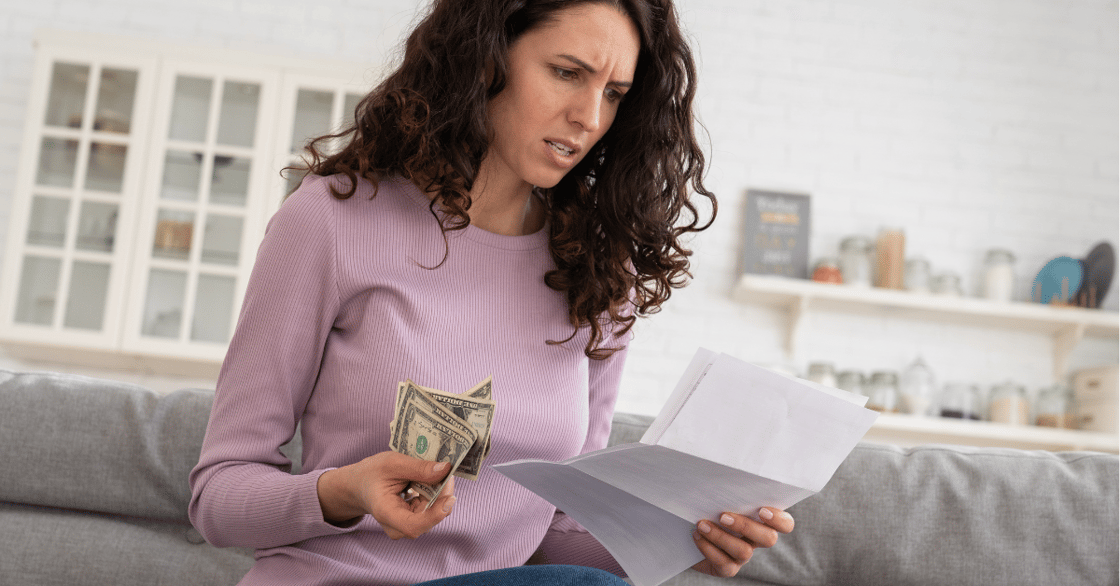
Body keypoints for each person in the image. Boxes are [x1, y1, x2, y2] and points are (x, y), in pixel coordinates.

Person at [188, 0, 795, 584]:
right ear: (485, 58)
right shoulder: (331, 222)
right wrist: (344, 491)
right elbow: (219, 497)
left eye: (613, 94)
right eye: (566, 73)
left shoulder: (600, 275)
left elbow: (550, 537)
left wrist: (684, 536)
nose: (589, 116)